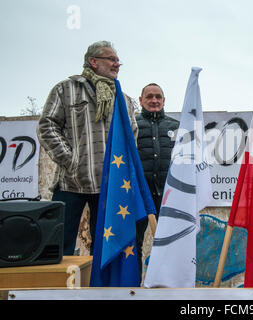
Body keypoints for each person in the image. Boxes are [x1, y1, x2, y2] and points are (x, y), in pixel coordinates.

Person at [37, 41, 138, 256]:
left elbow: (132, 134)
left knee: (105, 249)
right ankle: (60, 289)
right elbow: (47, 125)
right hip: (71, 182)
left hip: (110, 185)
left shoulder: (124, 99)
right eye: (111, 59)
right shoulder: (66, 89)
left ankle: (98, 289)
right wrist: (70, 159)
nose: (117, 64)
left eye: (118, 61)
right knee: (59, 244)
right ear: (93, 61)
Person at [135, 83, 179, 272]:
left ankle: (170, 288)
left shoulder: (176, 126)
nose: (154, 100)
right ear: (141, 100)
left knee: (172, 245)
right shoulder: (132, 125)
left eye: (158, 96)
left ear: (164, 100)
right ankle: (132, 288)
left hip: (168, 197)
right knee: (133, 244)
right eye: (149, 96)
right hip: (138, 197)